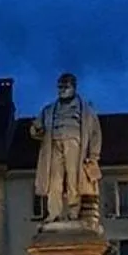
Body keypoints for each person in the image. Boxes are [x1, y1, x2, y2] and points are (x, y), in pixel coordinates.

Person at [29, 72, 102, 224]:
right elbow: (36, 128)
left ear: (74, 88)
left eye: (65, 87)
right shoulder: (48, 110)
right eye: (60, 87)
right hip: (53, 145)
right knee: (54, 180)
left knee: (73, 179)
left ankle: (74, 211)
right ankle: (54, 212)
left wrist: (93, 156)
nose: (62, 90)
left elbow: (96, 134)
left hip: (75, 145)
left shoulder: (87, 111)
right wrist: (37, 130)